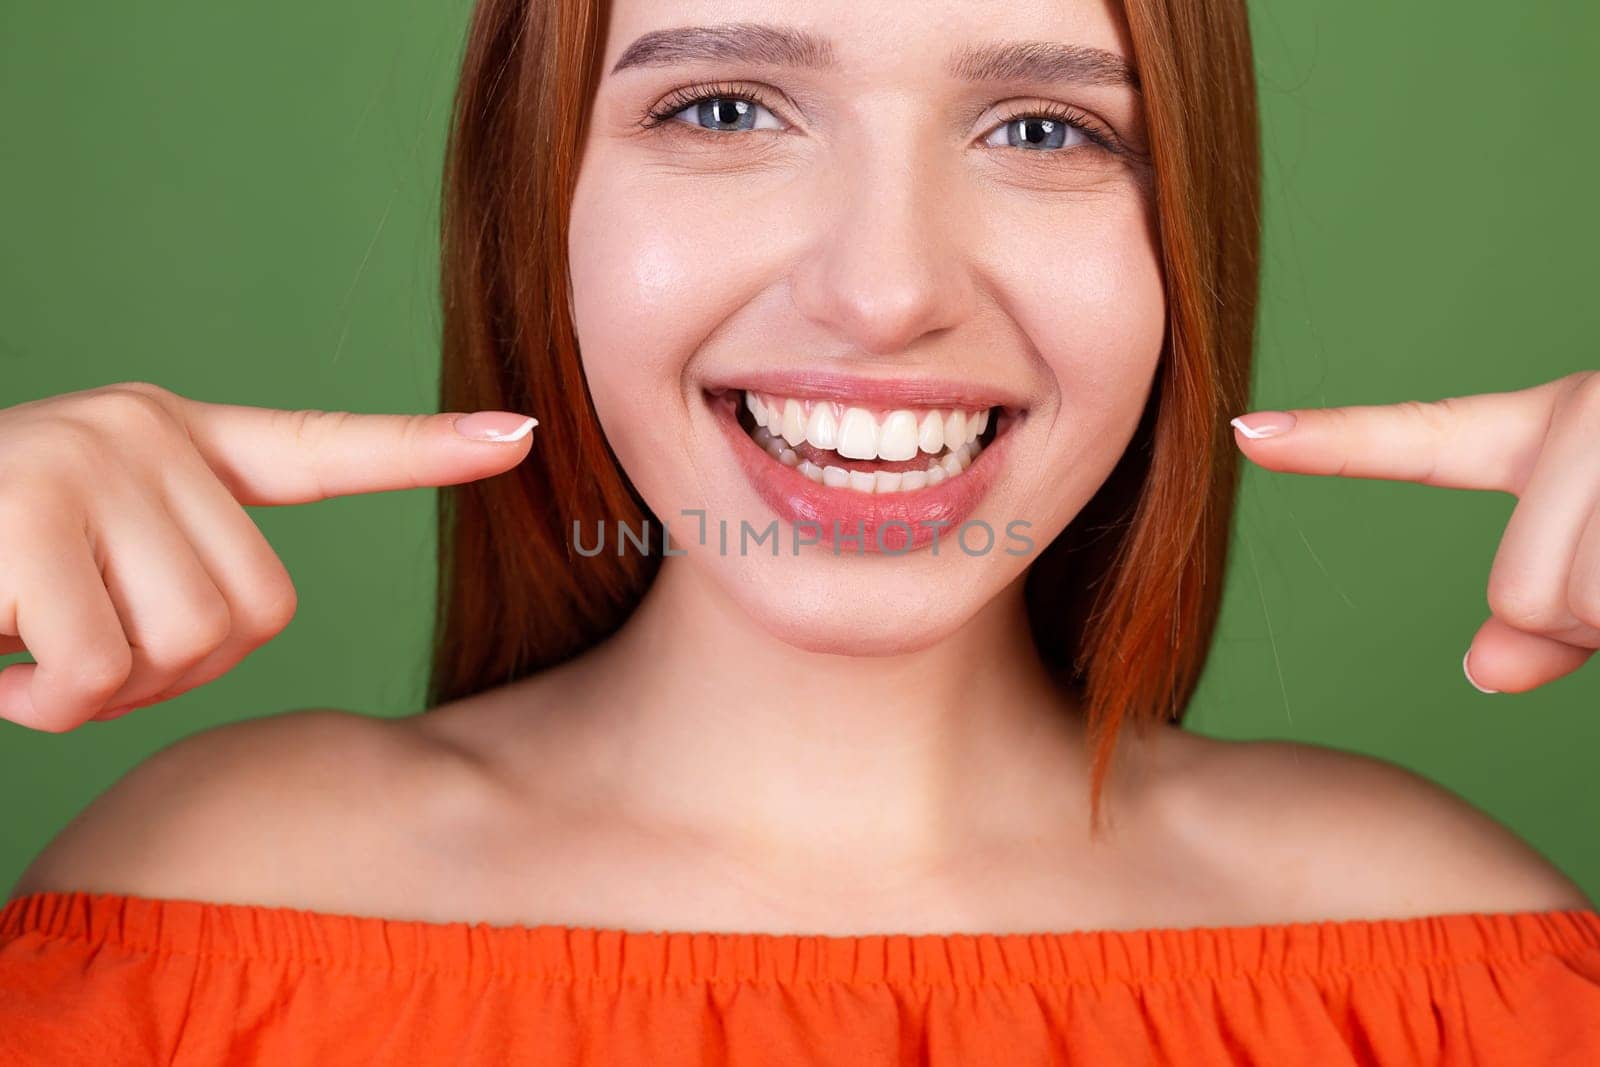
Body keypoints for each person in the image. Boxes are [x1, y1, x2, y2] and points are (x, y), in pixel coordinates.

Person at [3, 0, 1598, 1062]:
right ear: (538, 191)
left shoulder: (1457, 976)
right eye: (722, 105)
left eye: (1044, 129)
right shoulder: (204, 921)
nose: (888, 289)